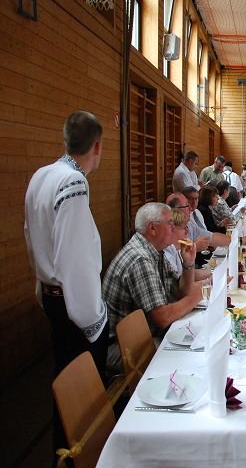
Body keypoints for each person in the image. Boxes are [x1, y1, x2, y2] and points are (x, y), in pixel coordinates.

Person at [24, 111, 108, 463]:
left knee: (65, 382)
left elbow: (31, 237)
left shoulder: (41, 175)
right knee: (84, 393)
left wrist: (42, 287)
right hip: (74, 303)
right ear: (97, 146)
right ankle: (83, 457)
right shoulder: (74, 182)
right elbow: (74, 257)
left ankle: (64, 453)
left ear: (65, 140)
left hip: (51, 294)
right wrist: (92, 319)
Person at [103, 202, 202, 373]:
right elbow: (163, 317)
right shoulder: (140, 259)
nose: (174, 228)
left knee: (195, 341)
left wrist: (188, 264)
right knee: (188, 357)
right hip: (122, 348)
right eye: (170, 223)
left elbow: (180, 291)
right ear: (152, 228)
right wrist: (195, 297)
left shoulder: (156, 251)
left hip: (145, 334)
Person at [164, 209, 212, 281]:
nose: (187, 231)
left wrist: (214, 272)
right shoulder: (166, 255)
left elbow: (190, 274)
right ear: (172, 230)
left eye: (187, 227)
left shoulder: (176, 249)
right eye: (184, 228)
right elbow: (180, 283)